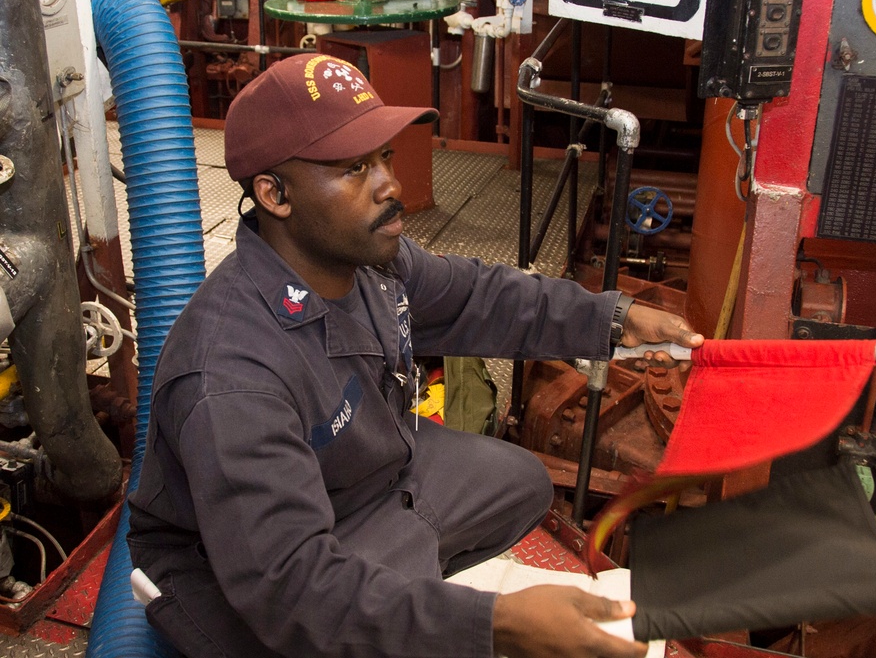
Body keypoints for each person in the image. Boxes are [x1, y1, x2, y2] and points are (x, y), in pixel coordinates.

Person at [127, 53, 704, 658]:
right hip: (246, 574)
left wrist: (614, 318)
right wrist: (496, 623)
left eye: (385, 157)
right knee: (319, 620)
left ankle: (396, 582)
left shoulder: (371, 262)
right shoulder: (231, 377)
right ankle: (394, 594)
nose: (391, 186)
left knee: (522, 482)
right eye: (354, 169)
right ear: (274, 194)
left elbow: (481, 297)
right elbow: (290, 585)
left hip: (361, 484)